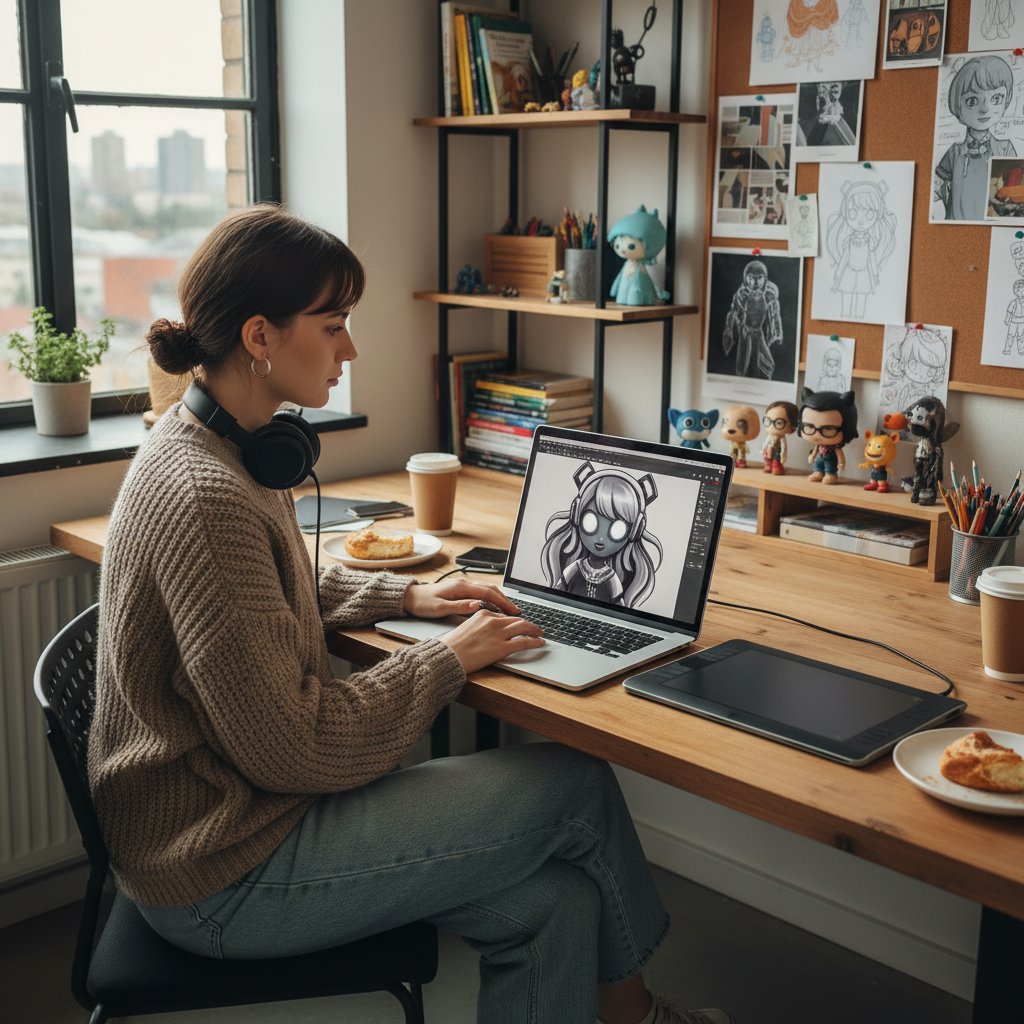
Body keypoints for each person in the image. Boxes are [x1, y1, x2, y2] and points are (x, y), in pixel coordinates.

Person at [87, 203, 732, 1024]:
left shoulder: (215, 445)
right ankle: (640, 1018)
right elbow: (295, 746)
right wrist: (447, 658)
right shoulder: (207, 494)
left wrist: (410, 596)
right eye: (333, 325)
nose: (349, 348)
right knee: (576, 786)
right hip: (222, 870)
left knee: (557, 904)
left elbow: (263, 601)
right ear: (258, 337)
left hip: (228, 829)